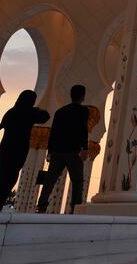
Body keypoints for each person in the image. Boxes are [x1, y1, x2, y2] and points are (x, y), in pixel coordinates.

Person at [0, 90, 50, 211]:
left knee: (2, 173)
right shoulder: (29, 112)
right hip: (18, 149)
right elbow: (45, 117)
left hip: (5, 148)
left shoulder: (11, 112)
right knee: (10, 177)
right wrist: (38, 110)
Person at [36, 84, 89, 213]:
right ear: (83, 96)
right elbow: (83, 130)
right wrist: (85, 148)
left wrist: (50, 150)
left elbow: (53, 132)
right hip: (73, 151)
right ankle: (75, 207)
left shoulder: (60, 111)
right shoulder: (83, 111)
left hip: (58, 151)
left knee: (50, 179)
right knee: (77, 180)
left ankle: (42, 205)